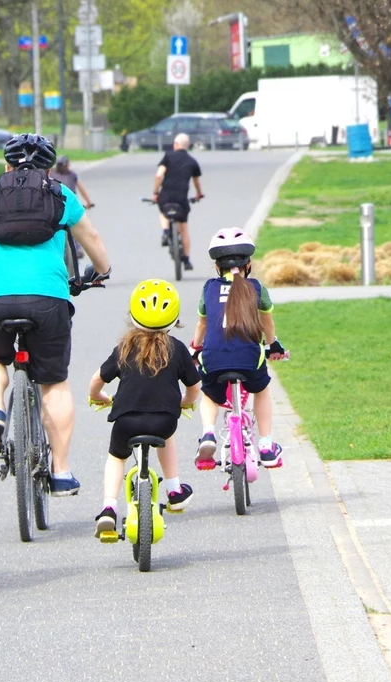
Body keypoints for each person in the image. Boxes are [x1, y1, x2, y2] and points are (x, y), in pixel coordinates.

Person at [0, 133, 111, 497]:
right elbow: (91, 237)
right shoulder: (59, 194)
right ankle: (62, 472)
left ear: (6, 165)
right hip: (47, 298)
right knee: (53, 381)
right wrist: (102, 270)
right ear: (48, 168)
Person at [87, 279, 201, 538]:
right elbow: (195, 386)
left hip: (126, 421)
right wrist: (185, 402)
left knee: (117, 458)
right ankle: (174, 490)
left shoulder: (125, 347)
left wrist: (99, 397)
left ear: (133, 316)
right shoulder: (178, 349)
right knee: (167, 435)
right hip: (164, 420)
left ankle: (108, 509)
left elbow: (97, 380)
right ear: (174, 319)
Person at [191, 228, 286, 471]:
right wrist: (273, 343)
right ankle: (265, 445)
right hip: (248, 356)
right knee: (262, 388)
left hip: (213, 356)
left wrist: (195, 348)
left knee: (211, 394)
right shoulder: (256, 288)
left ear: (216, 267)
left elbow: (202, 323)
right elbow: (267, 323)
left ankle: (209, 434)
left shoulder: (209, 288)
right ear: (249, 264)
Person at [153, 133, 203, 271]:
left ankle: (165, 231)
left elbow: (159, 175)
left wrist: (155, 192)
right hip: (181, 199)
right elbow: (196, 181)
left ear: (175, 145)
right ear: (187, 146)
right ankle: (186, 260)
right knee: (184, 229)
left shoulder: (168, 156)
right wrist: (199, 194)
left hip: (166, 196)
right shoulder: (192, 161)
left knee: (162, 211)